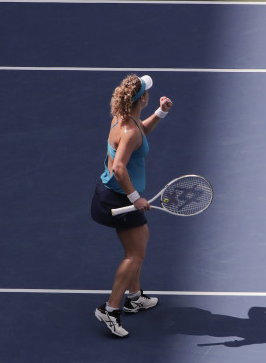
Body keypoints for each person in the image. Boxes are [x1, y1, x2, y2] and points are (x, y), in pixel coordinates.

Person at [91, 74, 173, 337]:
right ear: (142, 99)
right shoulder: (128, 130)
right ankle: (111, 309)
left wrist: (160, 113)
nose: (150, 93)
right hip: (118, 198)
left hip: (112, 194)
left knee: (142, 239)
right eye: (148, 92)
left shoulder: (126, 120)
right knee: (135, 254)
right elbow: (118, 168)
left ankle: (135, 297)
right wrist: (135, 197)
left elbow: (141, 136)